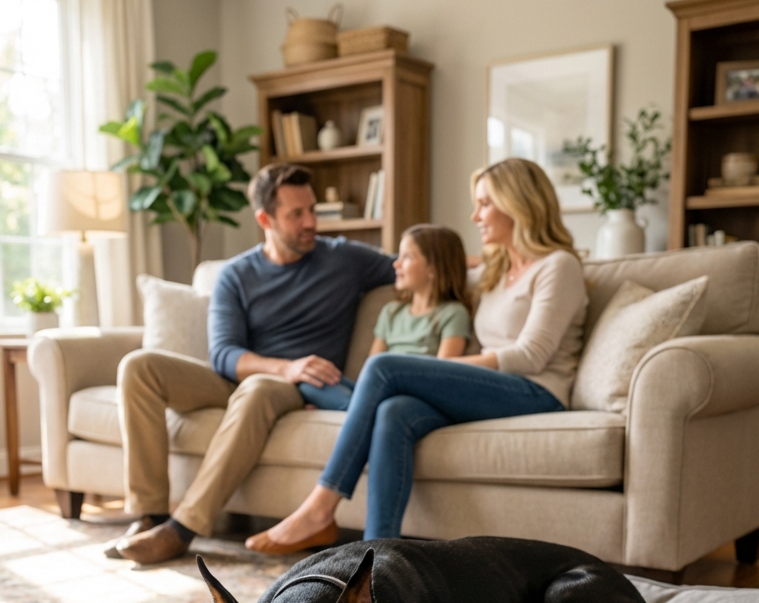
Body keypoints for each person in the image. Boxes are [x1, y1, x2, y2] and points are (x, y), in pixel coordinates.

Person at [245, 157, 587, 553]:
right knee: (395, 412)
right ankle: (375, 560)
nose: (475, 215)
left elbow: (530, 356)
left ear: (519, 204)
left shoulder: (558, 267)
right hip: (495, 389)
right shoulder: (497, 269)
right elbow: (441, 265)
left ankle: (321, 506)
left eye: (485, 204)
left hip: (537, 392)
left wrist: (436, 370)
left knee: (385, 367)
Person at [108, 163, 395, 564]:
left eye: (312, 209)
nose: (311, 221)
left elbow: (418, 262)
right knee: (139, 367)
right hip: (252, 374)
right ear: (265, 219)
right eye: (297, 214)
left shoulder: (344, 259)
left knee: (257, 388)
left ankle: (182, 528)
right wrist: (284, 365)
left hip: (292, 388)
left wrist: (497, 258)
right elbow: (223, 354)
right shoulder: (236, 275)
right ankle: (150, 513)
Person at [302, 223, 474, 411]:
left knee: (388, 402)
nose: (396, 264)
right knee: (311, 382)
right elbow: (371, 368)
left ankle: (352, 410)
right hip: (379, 389)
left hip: (413, 395)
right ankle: (358, 408)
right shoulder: (391, 312)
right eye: (399, 256)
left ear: (433, 268)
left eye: (407, 257)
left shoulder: (453, 313)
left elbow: (443, 376)